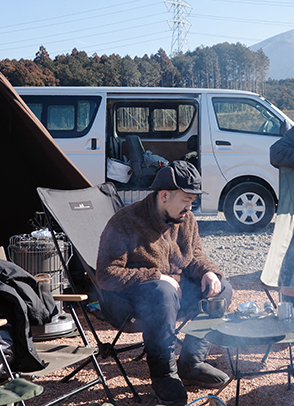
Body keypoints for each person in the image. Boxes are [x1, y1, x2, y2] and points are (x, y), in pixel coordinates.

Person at [97, 160, 233, 406]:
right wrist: (156, 276)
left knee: (222, 288)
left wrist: (209, 272)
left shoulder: (186, 218)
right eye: (185, 199)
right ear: (164, 195)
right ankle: (163, 374)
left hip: (174, 295)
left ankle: (191, 363)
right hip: (128, 302)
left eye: (192, 200)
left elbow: (195, 256)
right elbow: (106, 275)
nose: (190, 206)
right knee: (161, 291)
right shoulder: (125, 222)